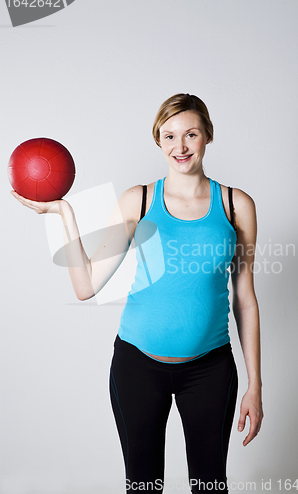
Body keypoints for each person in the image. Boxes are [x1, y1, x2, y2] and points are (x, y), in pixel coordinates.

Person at [11, 93, 263, 493]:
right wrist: (65, 214)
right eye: (169, 136)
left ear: (207, 137)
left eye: (191, 134)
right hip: (137, 369)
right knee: (144, 488)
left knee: (211, 486)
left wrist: (255, 385)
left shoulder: (236, 205)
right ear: (159, 141)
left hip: (211, 370)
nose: (179, 147)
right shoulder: (139, 200)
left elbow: (245, 299)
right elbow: (85, 285)